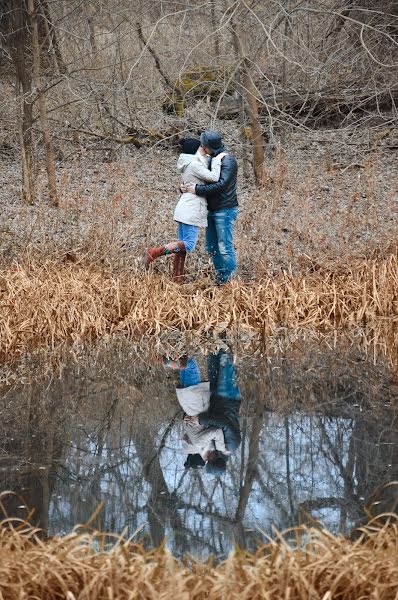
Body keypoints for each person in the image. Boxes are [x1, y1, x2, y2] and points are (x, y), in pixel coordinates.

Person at [146, 138, 226, 283]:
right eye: (200, 146)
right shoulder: (194, 164)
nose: (203, 148)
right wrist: (218, 160)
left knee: (182, 245)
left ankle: (177, 277)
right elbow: (214, 177)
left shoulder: (188, 161)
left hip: (186, 205)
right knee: (188, 244)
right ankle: (155, 252)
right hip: (192, 208)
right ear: (195, 149)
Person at [183, 130, 238, 285]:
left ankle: (229, 282)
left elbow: (221, 184)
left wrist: (197, 190)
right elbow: (201, 178)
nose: (201, 147)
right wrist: (185, 187)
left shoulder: (228, 160)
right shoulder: (212, 159)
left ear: (208, 147)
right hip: (212, 209)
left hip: (225, 209)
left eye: (203, 145)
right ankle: (221, 278)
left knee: (225, 247)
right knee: (211, 246)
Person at [184, 349, 241, 477]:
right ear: (216, 461)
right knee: (225, 359)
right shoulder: (231, 446)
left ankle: (212, 334)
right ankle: (226, 333)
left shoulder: (218, 448)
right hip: (227, 399)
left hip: (216, 399)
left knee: (213, 355)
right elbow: (224, 423)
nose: (207, 457)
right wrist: (200, 420)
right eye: (209, 460)